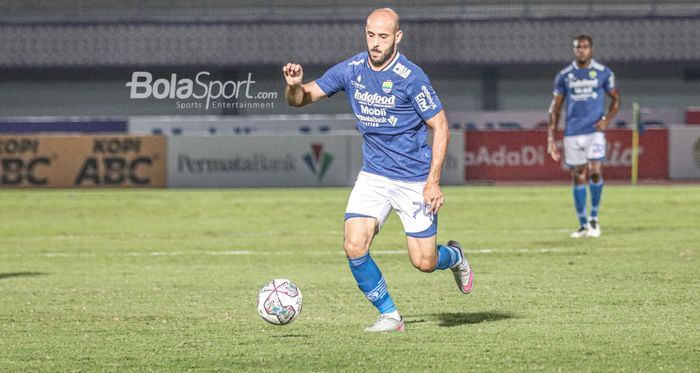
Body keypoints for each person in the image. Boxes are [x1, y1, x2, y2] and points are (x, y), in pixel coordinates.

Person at [283, 8, 473, 332]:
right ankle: (390, 315)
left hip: (413, 179)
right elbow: (302, 99)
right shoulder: (353, 69)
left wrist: (433, 183)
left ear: (397, 37)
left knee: (424, 263)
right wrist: (293, 86)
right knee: (354, 245)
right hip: (374, 175)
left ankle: (453, 257)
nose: (375, 42)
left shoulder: (411, 77)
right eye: (371, 35)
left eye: (383, 36)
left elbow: (440, 126)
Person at [547, 34, 621, 238]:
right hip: (572, 133)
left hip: (594, 132)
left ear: (591, 49)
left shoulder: (603, 73)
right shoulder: (564, 75)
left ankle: (594, 218)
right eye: (578, 47)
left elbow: (616, 100)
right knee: (578, 176)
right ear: (574, 50)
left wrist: (607, 119)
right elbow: (556, 107)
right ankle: (582, 224)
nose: (582, 50)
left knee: (595, 171)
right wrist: (551, 137)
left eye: (585, 47)